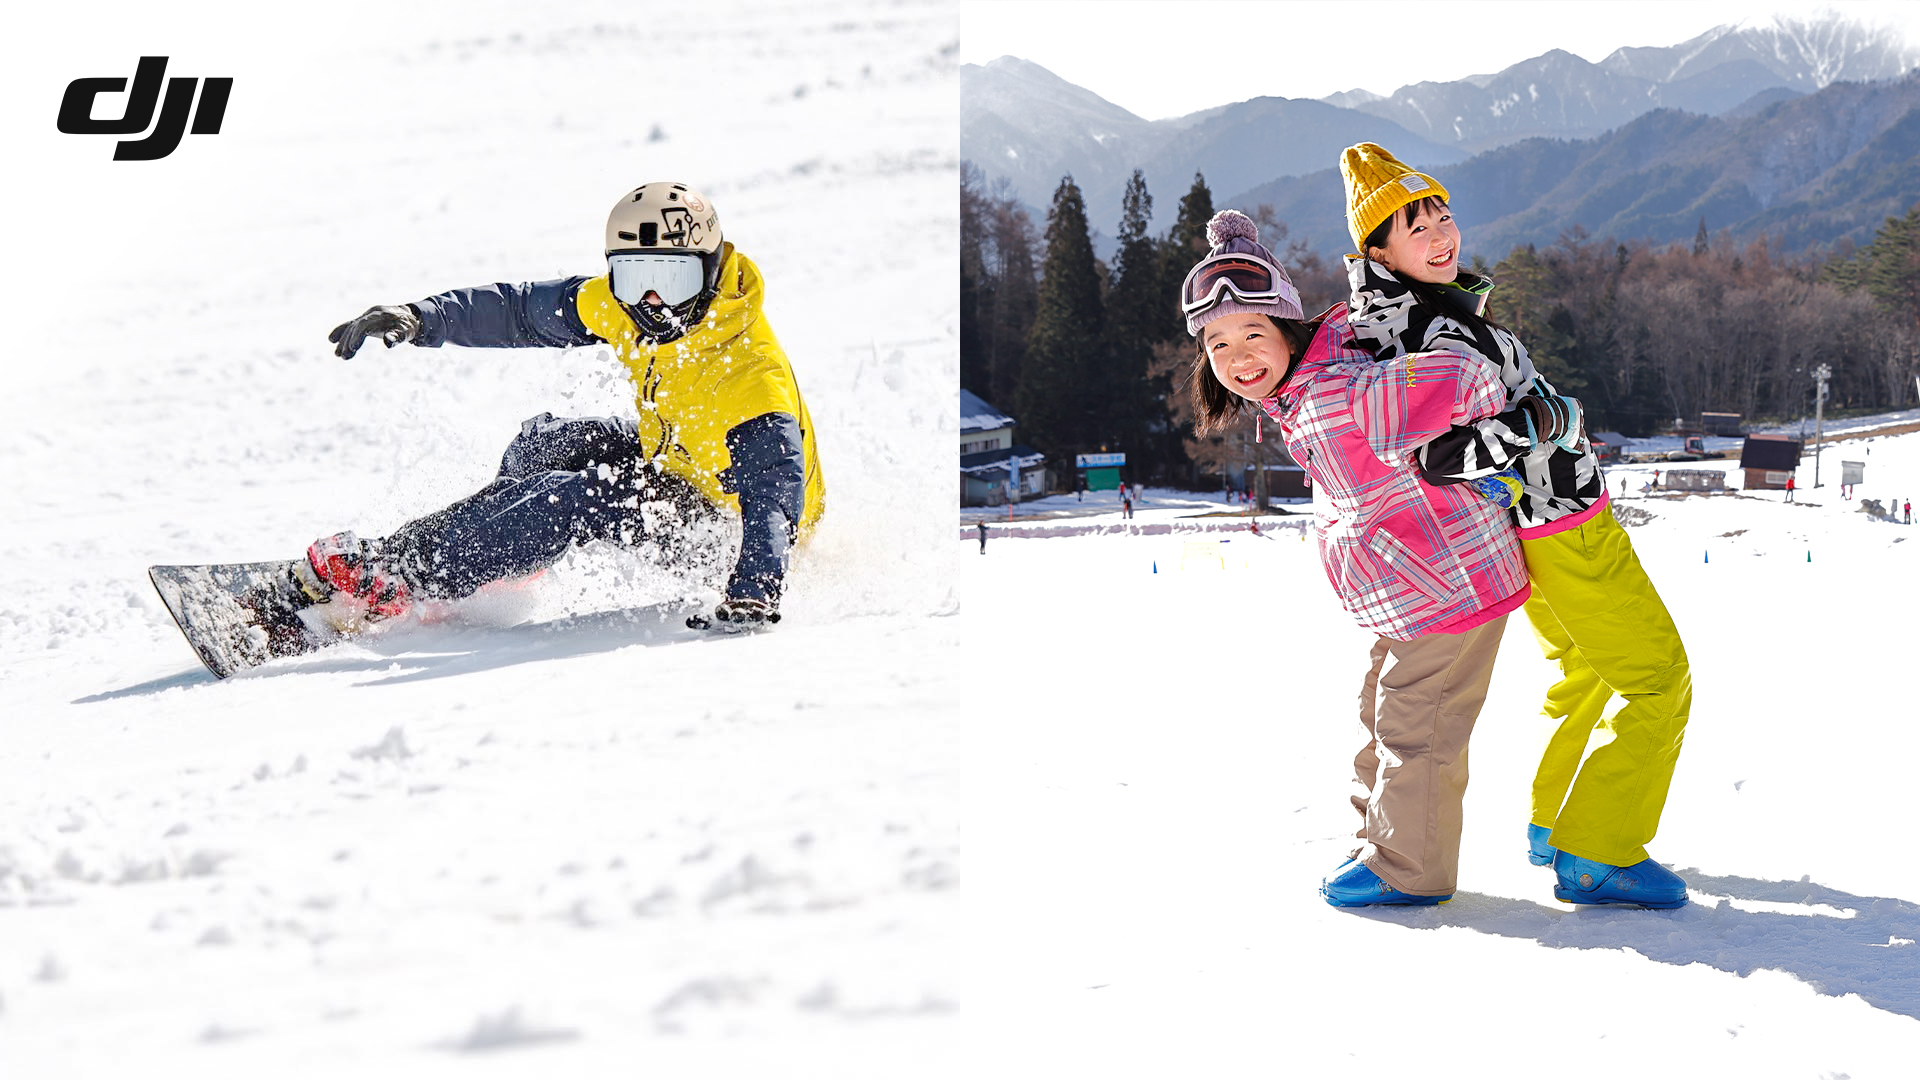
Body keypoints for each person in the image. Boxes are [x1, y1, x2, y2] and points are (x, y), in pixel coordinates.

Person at [1337, 144, 1689, 908]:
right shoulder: (1431, 330)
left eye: (1442, 215)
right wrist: (1542, 422)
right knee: (1660, 681)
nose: (1440, 235)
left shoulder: (1419, 315)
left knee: (1587, 672)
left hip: (1531, 527)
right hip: (1562, 524)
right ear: (1379, 250)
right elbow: (1439, 455)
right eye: (1414, 225)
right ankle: (1597, 851)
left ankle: (1554, 826)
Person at [1184, 210, 1529, 907]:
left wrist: (1472, 441)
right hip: (1415, 587)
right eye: (1219, 344)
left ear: (1287, 329)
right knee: (1380, 709)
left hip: (1451, 583)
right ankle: (1382, 840)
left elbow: (1467, 372)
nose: (1239, 355)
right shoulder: (1300, 392)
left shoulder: (1339, 391)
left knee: (1417, 725)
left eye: (1254, 333)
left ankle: (1409, 869)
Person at [312, 182, 824, 631]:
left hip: (732, 539)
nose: (653, 304)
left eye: (672, 279)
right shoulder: (626, 308)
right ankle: (498, 554)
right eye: (632, 279)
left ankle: (401, 575)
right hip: (682, 463)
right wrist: (422, 318)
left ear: (710, 271)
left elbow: (775, 497)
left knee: (585, 495)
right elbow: (521, 312)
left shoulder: (751, 375)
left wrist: (754, 589)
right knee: (546, 448)